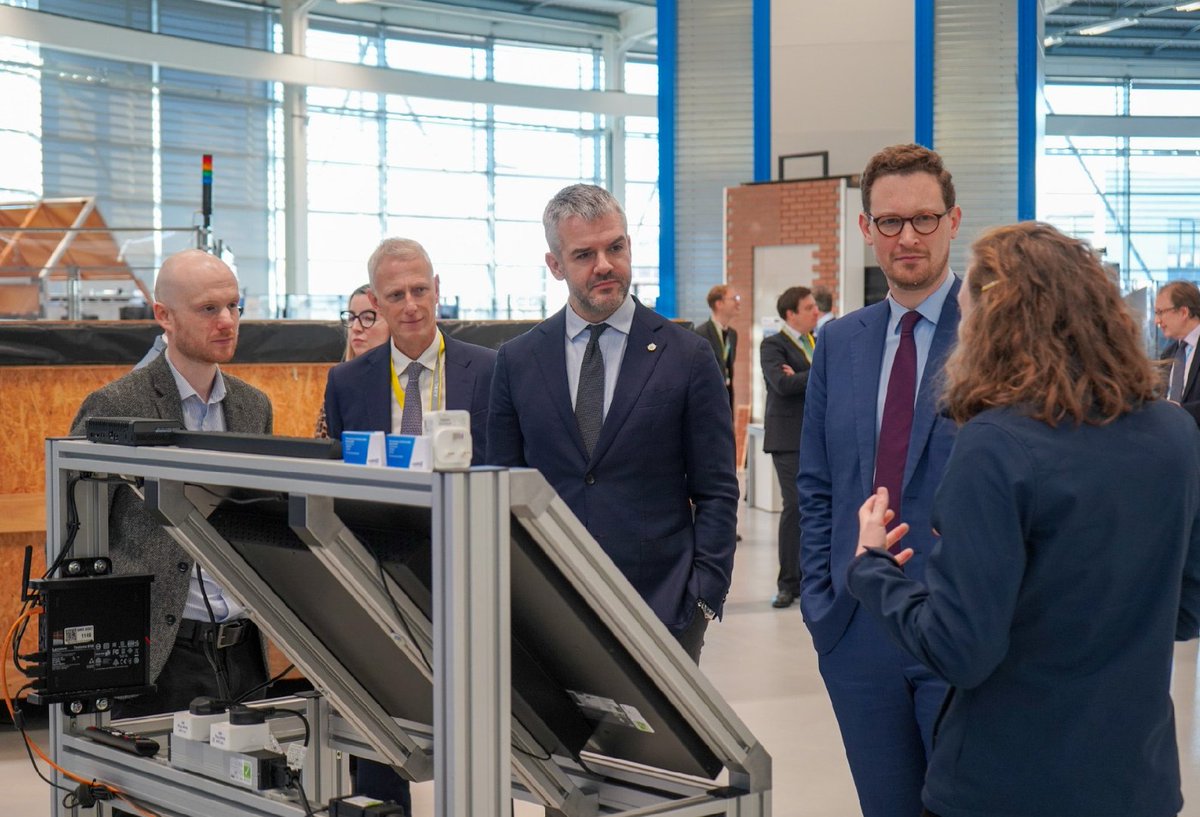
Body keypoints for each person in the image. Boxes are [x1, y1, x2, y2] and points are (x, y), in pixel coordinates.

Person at [849, 221, 1200, 817]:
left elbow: (961, 649)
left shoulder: (996, 445)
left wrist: (874, 570)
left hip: (1008, 783)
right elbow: (1187, 609)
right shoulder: (1174, 432)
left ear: (994, 324)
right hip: (1136, 782)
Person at [487, 183, 738, 662]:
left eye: (616, 247)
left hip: (664, 608)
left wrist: (704, 595)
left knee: (661, 740)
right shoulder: (518, 361)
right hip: (548, 606)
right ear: (556, 265)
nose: (605, 264)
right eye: (584, 254)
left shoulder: (686, 356)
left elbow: (717, 489)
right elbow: (501, 486)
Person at [797, 143, 961, 817]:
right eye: (890, 222)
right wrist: (822, 599)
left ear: (954, 220)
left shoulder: (996, 337)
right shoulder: (841, 341)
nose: (908, 236)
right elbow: (816, 483)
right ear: (866, 228)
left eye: (925, 219)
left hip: (959, 627)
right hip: (857, 627)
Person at [70, 249, 273, 719]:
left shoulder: (252, 407)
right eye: (208, 309)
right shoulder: (117, 404)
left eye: (233, 306)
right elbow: (74, 531)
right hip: (162, 652)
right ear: (164, 316)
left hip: (242, 649)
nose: (226, 321)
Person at [322, 238, 496, 464]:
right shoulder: (346, 383)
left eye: (419, 290)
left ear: (436, 289)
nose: (411, 306)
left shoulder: (489, 371)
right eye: (396, 295)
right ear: (376, 302)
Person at [760, 286, 819, 609]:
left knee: (814, 507)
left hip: (814, 436)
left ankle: (809, 577)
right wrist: (816, 373)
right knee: (794, 505)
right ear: (791, 314)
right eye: (809, 307)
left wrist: (804, 375)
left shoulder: (816, 343)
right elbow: (782, 385)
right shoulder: (773, 345)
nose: (816, 312)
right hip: (786, 438)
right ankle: (787, 583)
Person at [315, 283, 391, 437]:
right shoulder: (340, 383)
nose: (356, 327)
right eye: (351, 318)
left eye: (368, 318)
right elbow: (325, 449)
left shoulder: (408, 380)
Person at [1155, 280, 1200, 426]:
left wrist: (1178, 412)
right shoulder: (1168, 354)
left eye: (1161, 312)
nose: (1157, 321)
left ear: (1183, 312)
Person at [695, 284, 741, 411]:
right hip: (707, 400)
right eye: (734, 298)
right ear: (719, 304)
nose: (738, 303)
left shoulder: (733, 334)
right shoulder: (701, 333)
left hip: (726, 396)